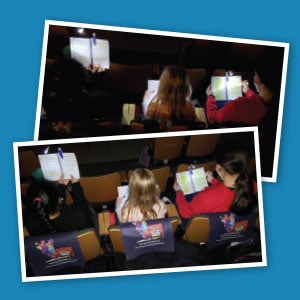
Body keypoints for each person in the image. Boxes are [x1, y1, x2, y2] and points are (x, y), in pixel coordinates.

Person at [173, 140, 257, 219]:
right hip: (231, 224)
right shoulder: (252, 185)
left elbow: (185, 213)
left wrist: (179, 192)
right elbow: (227, 193)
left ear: (218, 167)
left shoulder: (205, 197)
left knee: (175, 198)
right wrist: (213, 181)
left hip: (203, 225)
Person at [205, 47, 283, 127]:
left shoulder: (238, 105)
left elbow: (212, 117)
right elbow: (258, 102)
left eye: (255, 73)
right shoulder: (275, 107)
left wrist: (210, 96)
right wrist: (247, 90)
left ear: (257, 79)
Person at [23, 176, 95, 235]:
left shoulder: (28, 220)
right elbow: (82, 204)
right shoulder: (78, 216)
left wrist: (61, 187)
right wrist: (75, 184)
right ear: (59, 200)